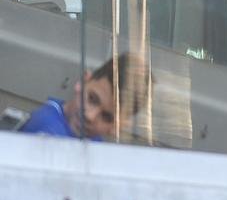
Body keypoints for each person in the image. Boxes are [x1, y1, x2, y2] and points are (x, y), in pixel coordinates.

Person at [20, 53, 150, 140]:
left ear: (119, 126)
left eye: (106, 117)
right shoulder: (49, 132)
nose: (90, 116)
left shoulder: (88, 137)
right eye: (92, 99)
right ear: (82, 82)